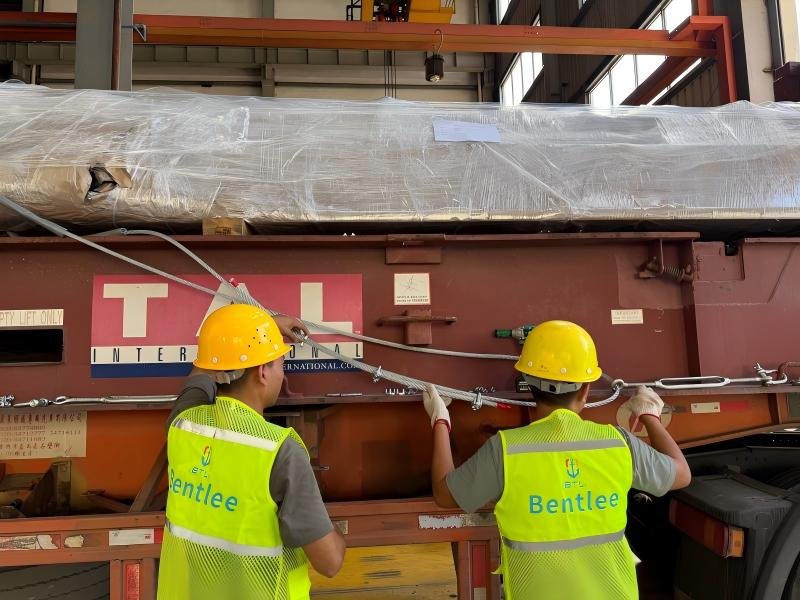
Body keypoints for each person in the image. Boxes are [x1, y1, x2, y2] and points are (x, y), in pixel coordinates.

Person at [423, 320, 691, 600]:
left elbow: (444, 494)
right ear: (586, 390)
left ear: (528, 384)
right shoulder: (618, 443)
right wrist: (649, 416)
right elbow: (681, 474)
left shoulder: (506, 450)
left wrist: (440, 420)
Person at [157, 304, 345, 600]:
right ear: (262, 371)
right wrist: (333, 530)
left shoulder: (183, 421)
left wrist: (258, 331)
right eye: (280, 363)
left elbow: (204, 368)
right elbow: (330, 562)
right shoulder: (279, 450)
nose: (283, 374)